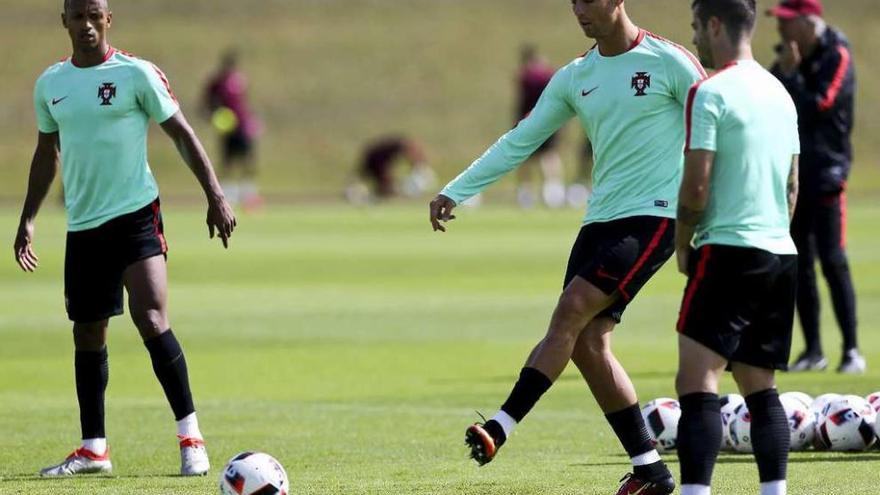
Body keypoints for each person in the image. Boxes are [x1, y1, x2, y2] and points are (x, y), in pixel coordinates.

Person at [429, 1, 705, 493]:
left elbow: (717, 126)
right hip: (599, 220)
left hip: (655, 216)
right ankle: (652, 471)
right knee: (588, 343)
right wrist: (458, 189)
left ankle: (500, 426)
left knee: (571, 310)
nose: (578, 9)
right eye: (572, 0)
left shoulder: (670, 62)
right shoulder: (576, 76)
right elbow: (522, 140)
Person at [14, 0, 236, 477]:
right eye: (79, 16)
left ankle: (191, 438)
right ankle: (94, 449)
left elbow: (182, 133)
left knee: (152, 317)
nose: (87, 24)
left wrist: (215, 195)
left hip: (136, 215)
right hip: (84, 225)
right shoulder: (51, 84)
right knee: (88, 332)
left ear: (108, 19)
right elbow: (45, 153)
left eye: (96, 15)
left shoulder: (137, 74)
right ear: (65, 21)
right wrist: (28, 218)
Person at [675, 1, 800, 494]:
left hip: (726, 249)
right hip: (778, 252)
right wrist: (773, 234)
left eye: (695, 28)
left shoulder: (710, 93)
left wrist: (685, 246)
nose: (695, 41)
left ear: (714, 24)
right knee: (760, 387)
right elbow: (793, 186)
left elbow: (696, 187)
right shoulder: (781, 93)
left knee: (697, 383)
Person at [766, 0, 863, 374]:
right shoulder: (790, 57)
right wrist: (787, 74)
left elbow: (821, 103)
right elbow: (771, 99)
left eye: (788, 23)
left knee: (834, 262)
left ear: (809, 23)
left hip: (828, 175)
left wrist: (792, 75)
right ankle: (813, 350)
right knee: (800, 265)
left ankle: (852, 350)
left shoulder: (836, 53)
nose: (781, 30)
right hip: (795, 176)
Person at [204, 49, 263, 210]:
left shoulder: (239, 80)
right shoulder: (217, 83)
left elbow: (244, 103)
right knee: (227, 161)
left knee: (248, 160)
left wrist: (251, 120)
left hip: (242, 126)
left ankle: (248, 193)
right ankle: (229, 194)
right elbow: (207, 103)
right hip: (228, 128)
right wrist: (213, 115)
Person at [515, 44, 566, 209]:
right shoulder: (548, 72)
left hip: (530, 121)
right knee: (548, 156)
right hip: (551, 120)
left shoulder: (526, 76)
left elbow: (522, 103)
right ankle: (553, 192)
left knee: (527, 157)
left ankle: (527, 193)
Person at [346, 136, 436, 203]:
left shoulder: (394, 147)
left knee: (386, 187)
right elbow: (410, 149)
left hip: (373, 160)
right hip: (373, 160)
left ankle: (375, 196)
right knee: (386, 186)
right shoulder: (397, 147)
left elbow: (410, 150)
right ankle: (369, 196)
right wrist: (418, 165)